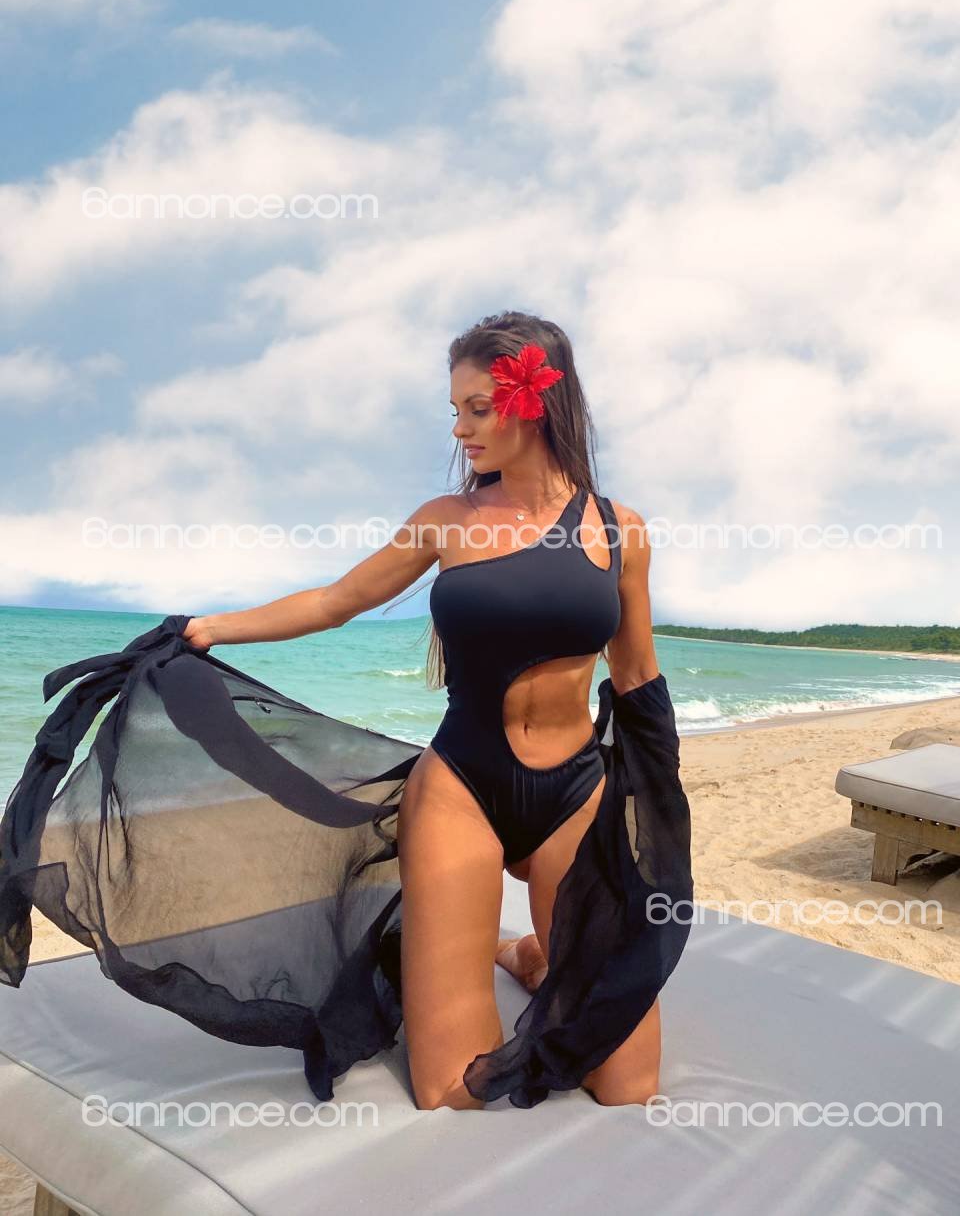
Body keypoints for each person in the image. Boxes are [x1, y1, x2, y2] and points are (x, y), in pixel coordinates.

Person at [0, 310, 693, 1112]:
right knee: (451, 1088)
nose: (461, 429)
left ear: (535, 401)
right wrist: (213, 627)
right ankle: (496, 948)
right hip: (464, 789)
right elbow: (336, 601)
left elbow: (636, 675)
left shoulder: (620, 531)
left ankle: (531, 956)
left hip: (575, 793)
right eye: (455, 410)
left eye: (477, 408)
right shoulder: (447, 520)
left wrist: (658, 812)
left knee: (625, 1083)